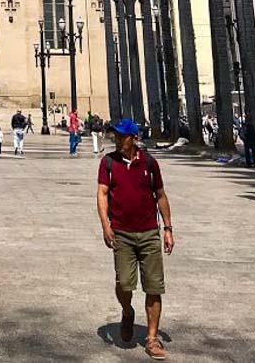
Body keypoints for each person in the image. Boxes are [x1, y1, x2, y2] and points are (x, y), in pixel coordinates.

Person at [97, 120, 173, 361]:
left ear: (133, 138)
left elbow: (160, 195)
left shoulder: (149, 163)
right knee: (124, 283)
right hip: (121, 232)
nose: (117, 140)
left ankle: (152, 338)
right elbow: (102, 194)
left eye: (121, 136)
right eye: (116, 136)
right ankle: (127, 311)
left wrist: (168, 228)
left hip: (150, 232)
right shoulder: (108, 162)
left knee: (153, 286)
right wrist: (105, 226)